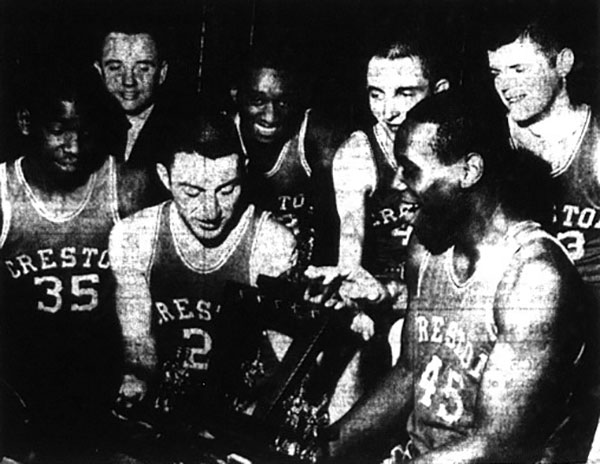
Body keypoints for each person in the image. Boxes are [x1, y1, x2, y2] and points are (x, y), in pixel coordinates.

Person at [310, 91, 600, 463]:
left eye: (410, 169)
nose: (397, 183)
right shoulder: (425, 247)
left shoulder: (534, 277)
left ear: (469, 171)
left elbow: (494, 445)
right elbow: (409, 374)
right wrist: (324, 446)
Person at [109, 113, 296, 434]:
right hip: (168, 404)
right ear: (164, 178)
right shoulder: (135, 236)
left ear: (243, 173)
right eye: (192, 192)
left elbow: (284, 360)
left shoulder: (270, 242)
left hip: (244, 411)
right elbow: (138, 341)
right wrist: (135, 383)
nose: (210, 211)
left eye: (226, 190)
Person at [0, 76, 126, 461]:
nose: (74, 147)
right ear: (26, 122)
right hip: (19, 378)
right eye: (58, 131)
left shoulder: (124, 184)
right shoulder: (3, 193)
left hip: (100, 378)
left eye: (84, 132)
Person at [485, 8, 600, 299]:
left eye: (519, 69)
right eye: (496, 73)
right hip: (513, 311)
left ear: (563, 64)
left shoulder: (595, 145)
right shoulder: (488, 143)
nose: (505, 86)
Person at [229, 47, 348, 268]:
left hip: (308, 261)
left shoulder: (318, 136)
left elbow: (336, 226)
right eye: (258, 101)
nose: (270, 116)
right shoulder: (222, 134)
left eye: (283, 103)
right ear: (236, 94)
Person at [94, 21, 180, 209]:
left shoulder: (183, 131)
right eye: (115, 67)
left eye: (143, 68)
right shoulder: (86, 130)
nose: (129, 81)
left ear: (162, 73)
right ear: (99, 71)